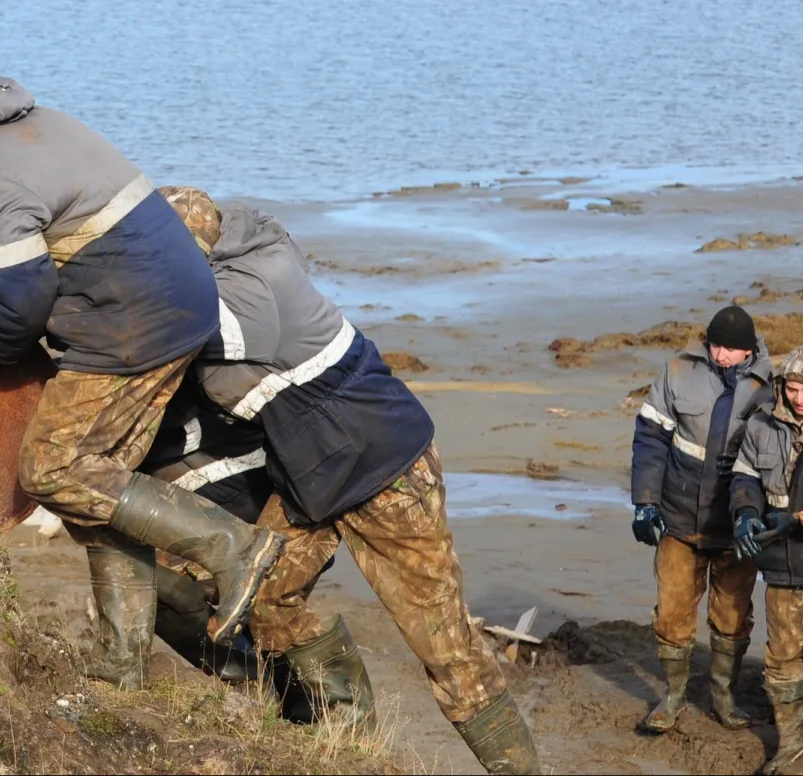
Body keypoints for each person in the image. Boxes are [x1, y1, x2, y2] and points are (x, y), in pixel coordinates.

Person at [0, 58, 282, 690]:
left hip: (133, 321)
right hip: (177, 303)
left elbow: (25, 294)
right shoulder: (34, 127)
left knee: (51, 468)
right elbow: (29, 252)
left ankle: (233, 547)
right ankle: (121, 664)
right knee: (100, 488)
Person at [151, 185, 539, 775]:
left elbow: (176, 330)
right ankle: (348, 739)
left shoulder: (254, 293)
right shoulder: (241, 259)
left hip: (389, 472)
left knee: (449, 652)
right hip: (312, 480)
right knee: (266, 599)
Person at [628, 304, 772, 732]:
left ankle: (723, 696)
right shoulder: (676, 372)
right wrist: (645, 501)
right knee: (672, 613)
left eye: (731, 349)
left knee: (731, 615)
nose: (721, 354)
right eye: (716, 345)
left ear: (748, 351)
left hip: (738, 528)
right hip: (679, 518)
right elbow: (650, 439)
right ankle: (672, 695)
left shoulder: (771, 386)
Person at [732, 345, 803, 775]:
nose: (799, 398)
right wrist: (744, 513)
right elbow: (744, 476)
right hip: (782, 560)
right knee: (782, 659)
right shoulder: (761, 425)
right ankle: (792, 742)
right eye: (793, 388)